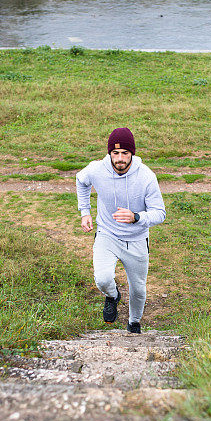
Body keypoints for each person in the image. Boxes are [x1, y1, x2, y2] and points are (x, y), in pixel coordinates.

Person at [76, 127, 166, 333]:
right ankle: (113, 295)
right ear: (109, 153)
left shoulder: (146, 177)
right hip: (107, 234)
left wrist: (137, 217)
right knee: (102, 279)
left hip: (136, 239)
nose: (120, 159)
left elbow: (160, 213)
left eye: (125, 153)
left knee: (139, 290)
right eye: (115, 153)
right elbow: (80, 181)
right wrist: (85, 211)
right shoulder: (96, 169)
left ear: (132, 154)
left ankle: (134, 323)